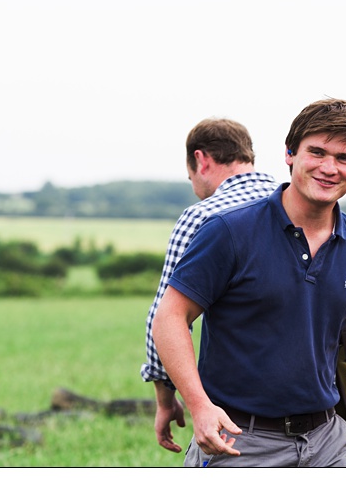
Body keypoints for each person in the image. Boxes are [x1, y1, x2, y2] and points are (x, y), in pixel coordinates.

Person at [152, 99, 346, 468]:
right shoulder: (230, 231)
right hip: (239, 440)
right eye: (317, 152)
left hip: (327, 440)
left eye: (344, 158)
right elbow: (170, 318)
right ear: (290, 154)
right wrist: (199, 405)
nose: (328, 168)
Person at [140, 118, 277, 454]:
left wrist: (166, 397)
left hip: (233, 411)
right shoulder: (296, 204)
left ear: (201, 160)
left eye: (190, 176)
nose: (193, 183)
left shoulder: (203, 215)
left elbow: (167, 316)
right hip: (318, 415)